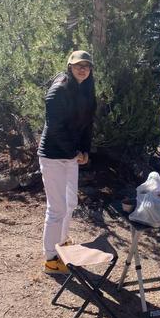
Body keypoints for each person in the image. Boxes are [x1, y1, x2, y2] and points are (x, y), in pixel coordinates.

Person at [37, 50, 96, 274]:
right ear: (69, 66)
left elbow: (87, 124)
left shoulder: (87, 90)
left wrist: (84, 150)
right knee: (57, 208)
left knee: (70, 203)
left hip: (70, 155)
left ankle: (60, 244)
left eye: (87, 66)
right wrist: (73, 152)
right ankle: (51, 259)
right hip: (53, 155)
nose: (83, 69)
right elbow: (54, 127)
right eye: (78, 65)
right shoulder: (59, 89)